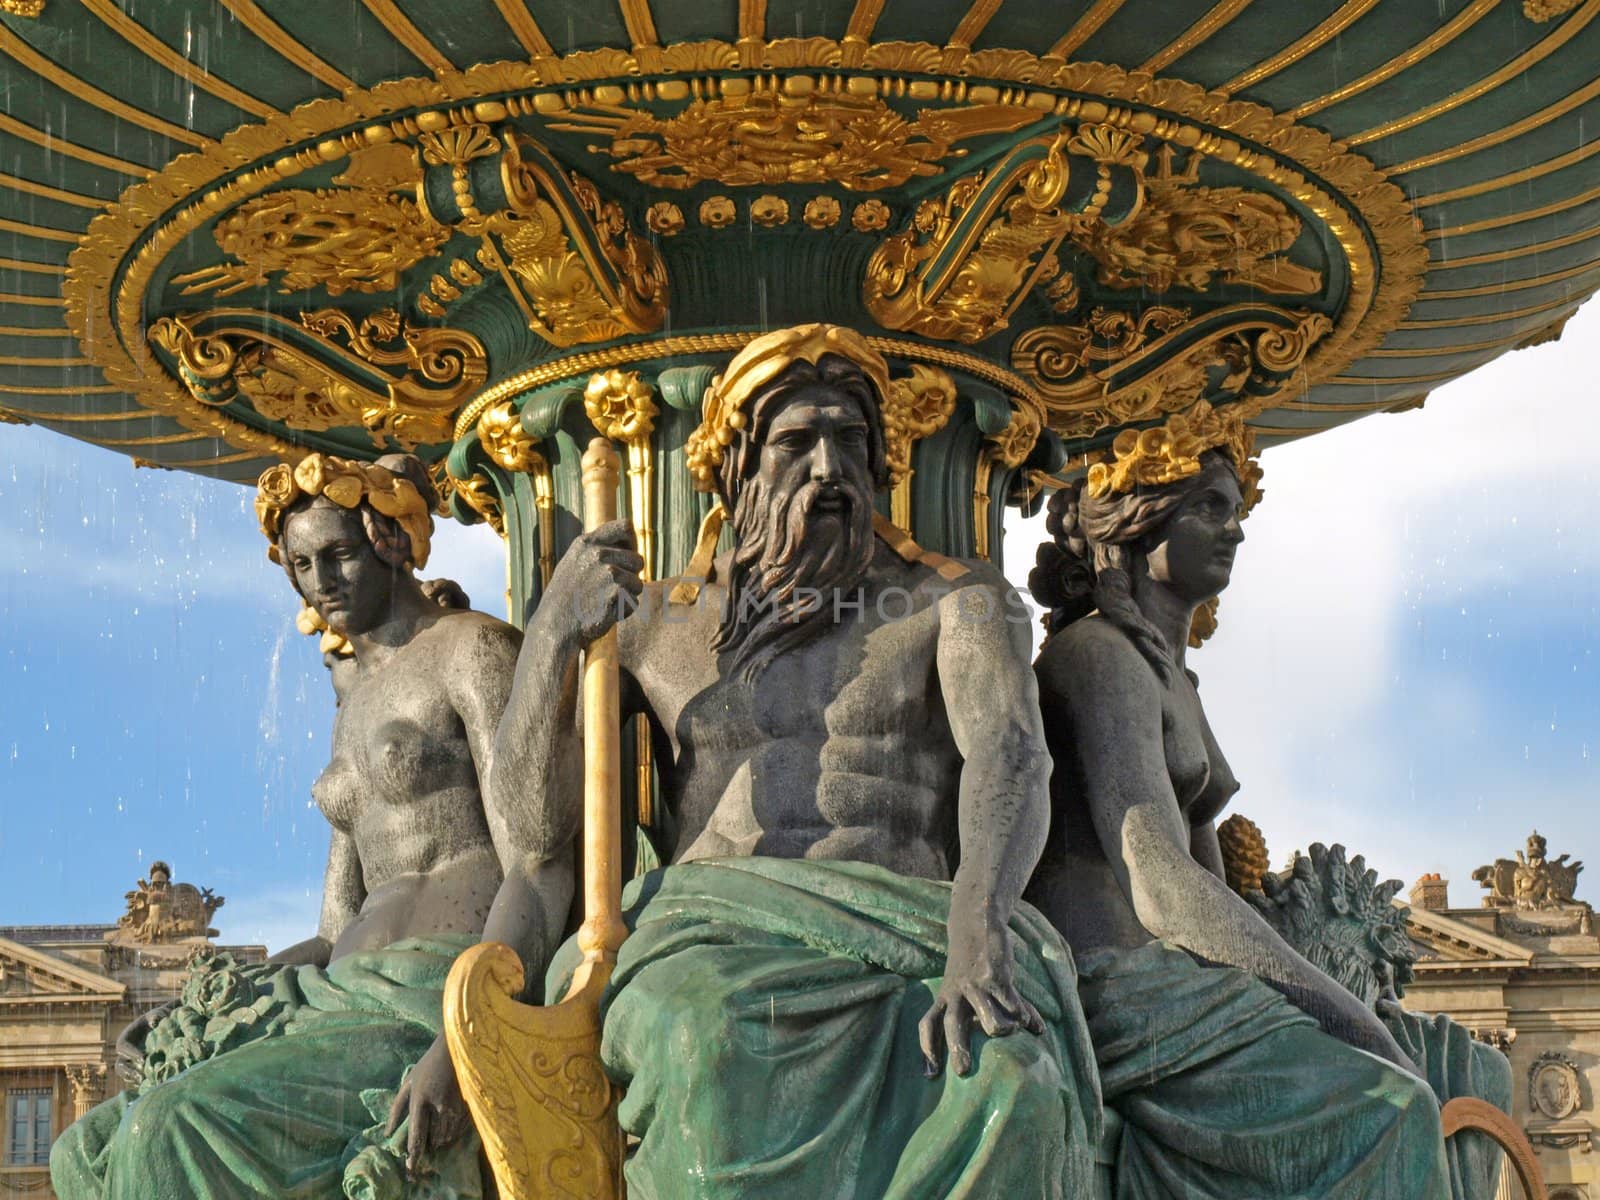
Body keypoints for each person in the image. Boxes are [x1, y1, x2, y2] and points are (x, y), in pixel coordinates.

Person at [482, 323, 1101, 1198]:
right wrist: (550, 637)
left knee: (1014, 1084)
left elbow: (1010, 759)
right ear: (736, 468)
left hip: (916, 936)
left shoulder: (958, 603)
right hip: (713, 940)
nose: (826, 469)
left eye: (850, 440)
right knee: (710, 1039)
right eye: (794, 443)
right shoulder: (654, 624)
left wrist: (980, 929)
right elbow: (532, 836)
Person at [52, 452, 519, 1200]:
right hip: (339, 991)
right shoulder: (352, 704)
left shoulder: (472, 650)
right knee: (84, 1148)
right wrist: (192, 1005)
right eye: (302, 564)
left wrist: (467, 1035)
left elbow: (538, 862)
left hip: (428, 987)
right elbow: (333, 932)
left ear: (391, 543)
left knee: (166, 1127)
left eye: (339, 555)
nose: (322, 581)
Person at [1024, 401, 1452, 1199]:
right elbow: (1161, 886)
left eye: (1238, 510)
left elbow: (1217, 895)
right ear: (1138, 520)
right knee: (1392, 1105)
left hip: (1178, 986)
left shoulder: (1169, 676)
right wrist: (1347, 1021)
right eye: (1209, 508)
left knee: (1460, 1065)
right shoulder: (1097, 658)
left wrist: (1339, 1004)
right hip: (1112, 988)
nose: (1236, 531)